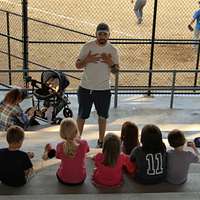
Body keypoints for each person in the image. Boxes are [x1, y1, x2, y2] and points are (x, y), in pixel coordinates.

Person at [75, 22, 119, 148]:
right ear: (96, 34)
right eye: (100, 34)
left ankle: (100, 141)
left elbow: (116, 71)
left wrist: (110, 62)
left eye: (105, 34)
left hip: (103, 90)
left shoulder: (113, 50)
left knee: (102, 117)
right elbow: (77, 65)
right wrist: (87, 60)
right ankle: (78, 140)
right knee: (82, 116)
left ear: (109, 35)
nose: (102, 36)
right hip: (85, 88)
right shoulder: (87, 46)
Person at [42, 118, 90, 185]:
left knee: (60, 168)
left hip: (63, 179)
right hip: (80, 179)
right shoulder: (84, 143)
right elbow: (87, 150)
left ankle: (47, 152)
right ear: (76, 131)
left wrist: (49, 151)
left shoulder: (60, 146)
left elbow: (58, 156)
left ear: (62, 134)